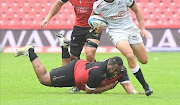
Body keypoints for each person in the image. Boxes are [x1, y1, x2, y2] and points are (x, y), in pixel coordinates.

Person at [92, 0, 153, 96]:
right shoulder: (98, 5)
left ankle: (132, 55)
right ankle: (146, 86)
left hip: (130, 28)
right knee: (129, 55)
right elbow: (93, 19)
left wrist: (143, 28)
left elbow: (137, 10)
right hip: (116, 32)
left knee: (144, 60)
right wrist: (98, 28)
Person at [14, 43, 142, 94]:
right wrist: (109, 87)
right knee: (44, 79)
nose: (115, 73)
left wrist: (135, 94)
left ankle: (64, 47)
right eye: (113, 70)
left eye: (117, 71)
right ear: (108, 65)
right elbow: (88, 91)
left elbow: (127, 86)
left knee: (60, 73)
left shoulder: (120, 70)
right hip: (74, 70)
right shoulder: (98, 72)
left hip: (80, 72)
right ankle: (30, 51)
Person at [40, 0, 102, 66]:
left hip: (93, 27)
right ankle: (81, 76)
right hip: (78, 27)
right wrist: (48, 18)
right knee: (73, 57)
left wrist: (102, 22)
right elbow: (58, 3)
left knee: (89, 54)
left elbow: (107, 7)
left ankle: (94, 75)